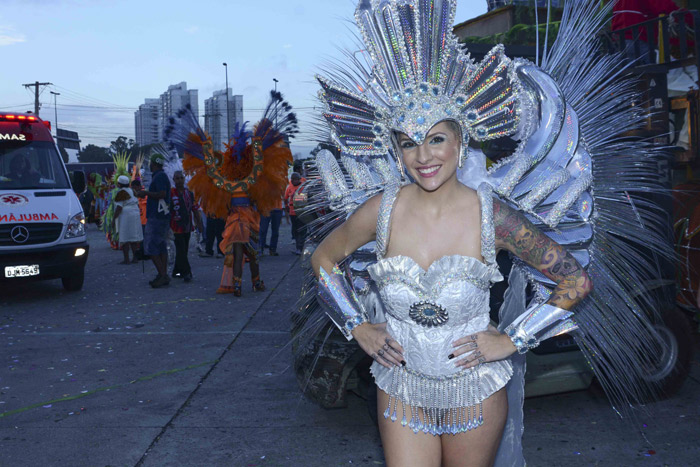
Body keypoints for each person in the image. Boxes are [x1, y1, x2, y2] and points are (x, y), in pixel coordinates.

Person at [301, 1, 674, 465]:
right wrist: (357, 326)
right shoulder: (381, 212)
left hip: (475, 392)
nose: (424, 155)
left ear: (461, 140)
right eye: (408, 143)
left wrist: (513, 339)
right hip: (400, 387)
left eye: (436, 138)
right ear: (395, 151)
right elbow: (323, 258)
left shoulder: (493, 216)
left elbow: (576, 281)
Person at [136, 153, 171, 288]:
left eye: (150, 163)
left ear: (154, 164)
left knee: (150, 246)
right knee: (161, 246)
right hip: (161, 216)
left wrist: (146, 193)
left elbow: (162, 194)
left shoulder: (160, 176)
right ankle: (162, 273)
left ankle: (163, 275)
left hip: (157, 217)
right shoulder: (160, 176)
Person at [612, 0, 680, 64]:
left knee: (627, 74)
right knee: (649, 72)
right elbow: (664, 6)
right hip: (638, 41)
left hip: (618, 42)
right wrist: (686, 16)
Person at [170, 171, 203, 282]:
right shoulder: (170, 193)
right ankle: (187, 272)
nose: (179, 180)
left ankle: (176, 271)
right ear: (173, 180)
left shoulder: (189, 193)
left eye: (181, 178)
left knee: (183, 250)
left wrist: (199, 224)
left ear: (184, 179)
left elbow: (195, 209)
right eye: (177, 178)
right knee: (181, 249)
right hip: (175, 227)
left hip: (188, 226)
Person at [111, 175, 143, 264]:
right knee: (133, 236)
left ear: (119, 184)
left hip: (126, 215)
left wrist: (114, 219)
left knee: (125, 236)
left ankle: (126, 259)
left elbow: (119, 207)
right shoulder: (132, 191)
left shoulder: (121, 192)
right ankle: (135, 258)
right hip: (135, 212)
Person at [285, 173, 305, 254]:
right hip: (292, 212)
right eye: (293, 179)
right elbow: (285, 198)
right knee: (296, 230)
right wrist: (286, 206)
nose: (295, 181)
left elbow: (303, 199)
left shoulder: (303, 187)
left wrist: (296, 198)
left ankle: (301, 247)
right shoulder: (289, 187)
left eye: (296, 179)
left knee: (302, 230)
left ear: (299, 179)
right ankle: (298, 247)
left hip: (301, 212)